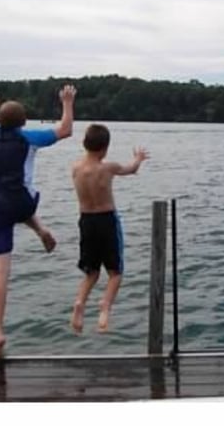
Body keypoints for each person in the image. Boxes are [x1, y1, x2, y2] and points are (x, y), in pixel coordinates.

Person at [0, 85, 76, 358]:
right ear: (23, 123)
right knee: (25, 198)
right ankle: (40, 229)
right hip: (23, 204)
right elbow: (65, 130)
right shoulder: (28, 138)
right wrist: (68, 102)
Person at [70, 123, 149, 334]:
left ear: (85, 144)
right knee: (115, 272)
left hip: (86, 222)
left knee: (91, 272)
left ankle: (80, 303)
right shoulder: (108, 167)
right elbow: (131, 169)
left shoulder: (75, 168)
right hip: (106, 221)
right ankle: (105, 306)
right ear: (105, 148)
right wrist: (138, 159)